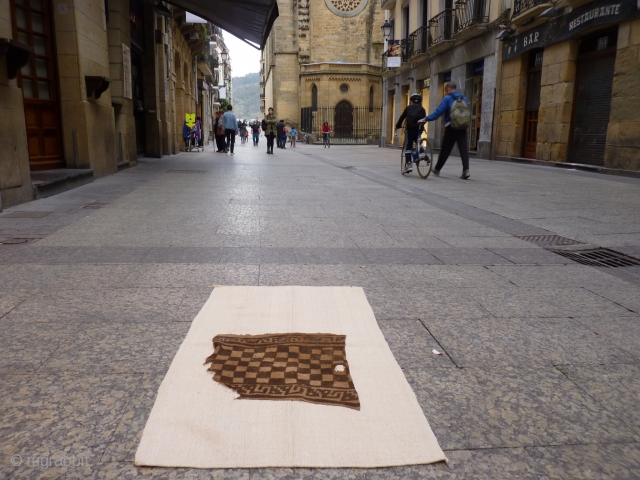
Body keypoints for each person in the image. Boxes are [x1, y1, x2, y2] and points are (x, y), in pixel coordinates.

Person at [419, 81, 471, 179]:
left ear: (448, 89)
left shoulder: (447, 98)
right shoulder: (464, 98)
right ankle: (466, 170)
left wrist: (426, 118)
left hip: (451, 127)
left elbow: (438, 112)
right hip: (463, 127)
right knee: (463, 149)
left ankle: (437, 169)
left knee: (445, 149)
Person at [395, 93, 427, 174]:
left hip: (410, 129)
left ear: (411, 101)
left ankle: (409, 164)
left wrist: (398, 126)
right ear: (420, 102)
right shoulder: (422, 109)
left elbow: (402, 117)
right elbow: (424, 119)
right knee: (418, 141)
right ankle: (424, 154)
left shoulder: (408, 108)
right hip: (419, 129)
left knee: (408, 146)